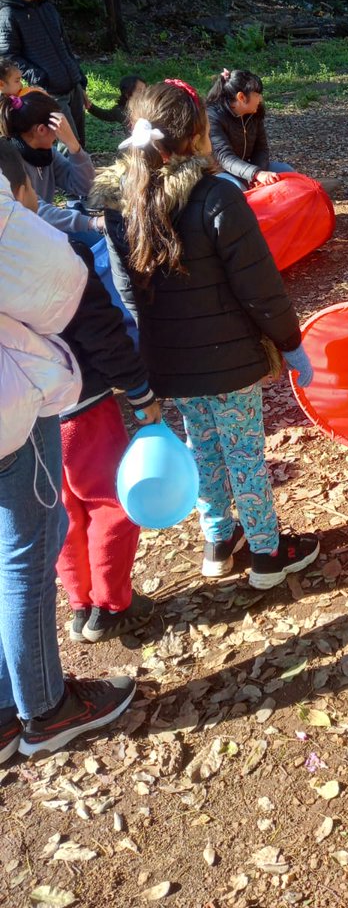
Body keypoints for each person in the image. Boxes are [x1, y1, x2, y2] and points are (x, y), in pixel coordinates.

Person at [96, 79, 320, 589]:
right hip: (231, 358)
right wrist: (290, 343)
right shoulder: (215, 194)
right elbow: (259, 286)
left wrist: (149, 359)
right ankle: (267, 552)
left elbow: (129, 296)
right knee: (244, 453)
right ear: (197, 133)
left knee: (204, 446)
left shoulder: (120, 201)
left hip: (171, 361)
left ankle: (219, 541)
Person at [0, 142, 136, 761]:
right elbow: (87, 311)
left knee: (46, 527)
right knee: (94, 510)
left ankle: (77, 606)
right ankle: (102, 612)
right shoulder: (45, 243)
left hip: (34, 409)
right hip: (52, 408)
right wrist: (140, 388)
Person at [0, 0, 91, 147]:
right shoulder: (8, 15)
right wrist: (41, 78)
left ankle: (82, 176)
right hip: (51, 93)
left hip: (72, 87)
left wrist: (78, 80)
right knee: (68, 145)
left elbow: (65, 46)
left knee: (79, 143)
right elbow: (9, 56)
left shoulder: (48, 8)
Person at [0, 90, 100, 241]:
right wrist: (92, 222)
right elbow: (35, 211)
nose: (60, 133)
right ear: (41, 130)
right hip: (19, 238)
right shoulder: (8, 161)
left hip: (41, 228)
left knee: (101, 241)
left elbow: (84, 186)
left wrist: (74, 146)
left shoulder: (47, 154)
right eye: (59, 128)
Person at [206, 68, 292, 189]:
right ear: (241, 97)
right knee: (235, 190)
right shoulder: (213, 116)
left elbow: (261, 149)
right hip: (220, 172)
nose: (260, 99)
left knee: (287, 172)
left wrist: (258, 174)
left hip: (248, 168)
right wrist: (255, 174)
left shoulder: (254, 113)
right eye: (257, 95)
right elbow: (224, 157)